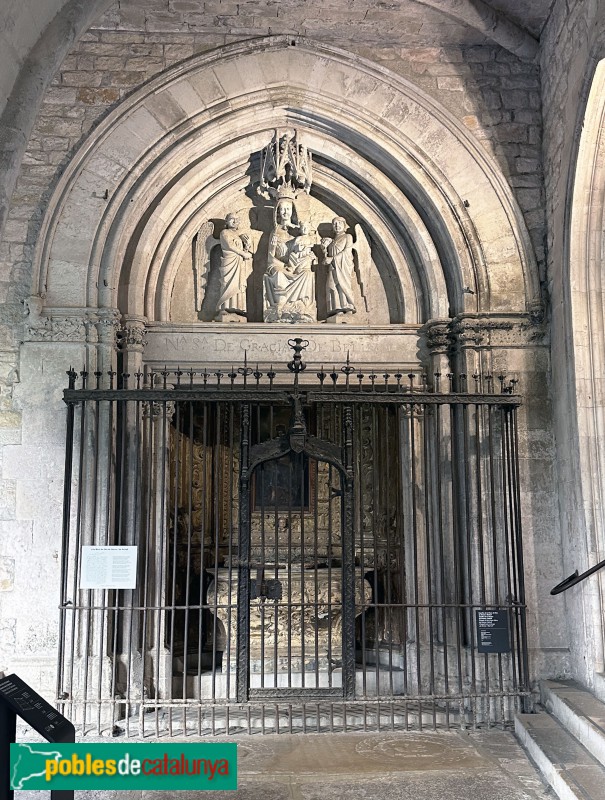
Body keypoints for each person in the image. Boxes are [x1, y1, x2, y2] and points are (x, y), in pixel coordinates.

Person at [215, 213, 253, 319]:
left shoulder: (238, 236)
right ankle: (224, 307)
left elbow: (242, 251)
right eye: (232, 219)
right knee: (228, 283)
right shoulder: (224, 232)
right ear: (226, 221)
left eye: (237, 219)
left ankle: (237, 308)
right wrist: (243, 253)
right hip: (229, 262)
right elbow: (230, 246)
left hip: (239, 264)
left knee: (238, 285)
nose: (235, 221)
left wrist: (247, 245)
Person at [322, 216, 356, 316]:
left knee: (342, 285)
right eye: (335, 224)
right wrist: (324, 249)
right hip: (333, 267)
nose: (337, 226)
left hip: (343, 266)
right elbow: (327, 256)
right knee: (332, 286)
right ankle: (337, 308)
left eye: (340, 223)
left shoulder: (347, 237)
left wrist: (332, 259)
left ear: (344, 225)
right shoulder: (331, 242)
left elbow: (347, 252)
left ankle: (348, 306)